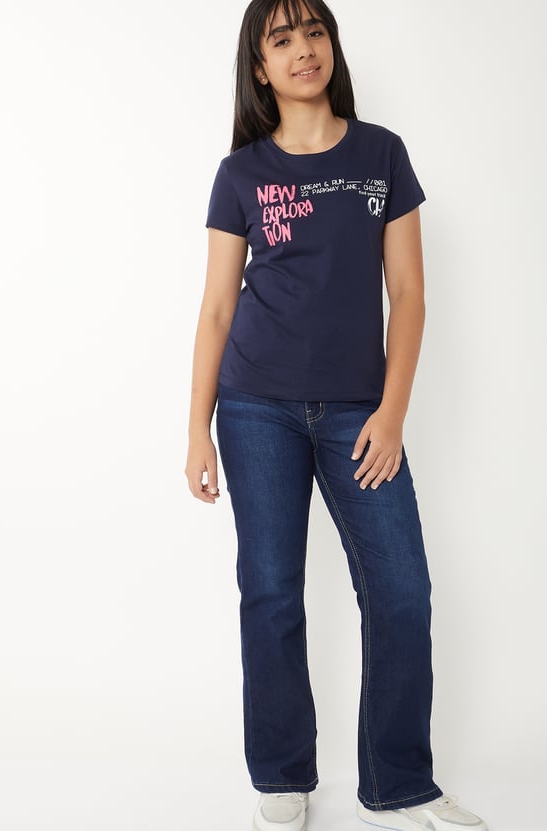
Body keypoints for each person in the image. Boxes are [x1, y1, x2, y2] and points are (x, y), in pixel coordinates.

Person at [185, 2, 488, 830]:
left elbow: (409, 294)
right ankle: (282, 776)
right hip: (256, 407)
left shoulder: (380, 154)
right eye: (280, 40)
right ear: (259, 68)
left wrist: (391, 413)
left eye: (313, 32)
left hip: (360, 409)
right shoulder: (239, 173)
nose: (302, 50)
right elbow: (216, 309)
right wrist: (196, 427)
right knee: (271, 592)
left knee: (400, 591)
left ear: (332, 45)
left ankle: (398, 784)